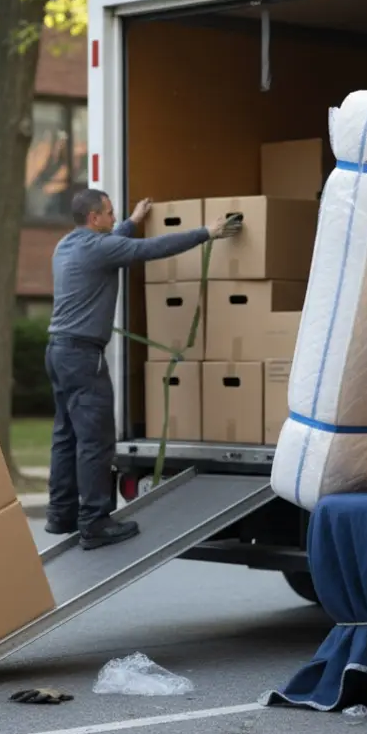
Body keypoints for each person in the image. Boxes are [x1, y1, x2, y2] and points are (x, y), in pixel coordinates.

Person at [46, 189, 241, 550]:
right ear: (94, 218)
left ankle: (61, 513)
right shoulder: (100, 248)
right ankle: (94, 523)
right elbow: (151, 249)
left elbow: (115, 243)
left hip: (59, 352)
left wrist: (132, 221)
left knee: (66, 435)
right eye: (109, 213)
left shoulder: (67, 245)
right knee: (95, 440)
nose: (113, 216)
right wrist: (206, 232)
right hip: (84, 357)